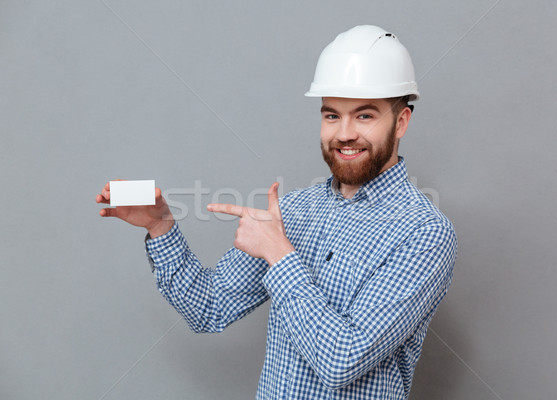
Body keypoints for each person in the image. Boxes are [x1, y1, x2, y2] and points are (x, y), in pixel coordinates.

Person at [96, 25, 457, 400]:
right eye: (332, 115)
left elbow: (342, 361)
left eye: (364, 116)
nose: (344, 133)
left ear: (401, 122)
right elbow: (208, 307)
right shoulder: (294, 211)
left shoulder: (425, 233)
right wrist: (161, 225)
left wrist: (279, 255)